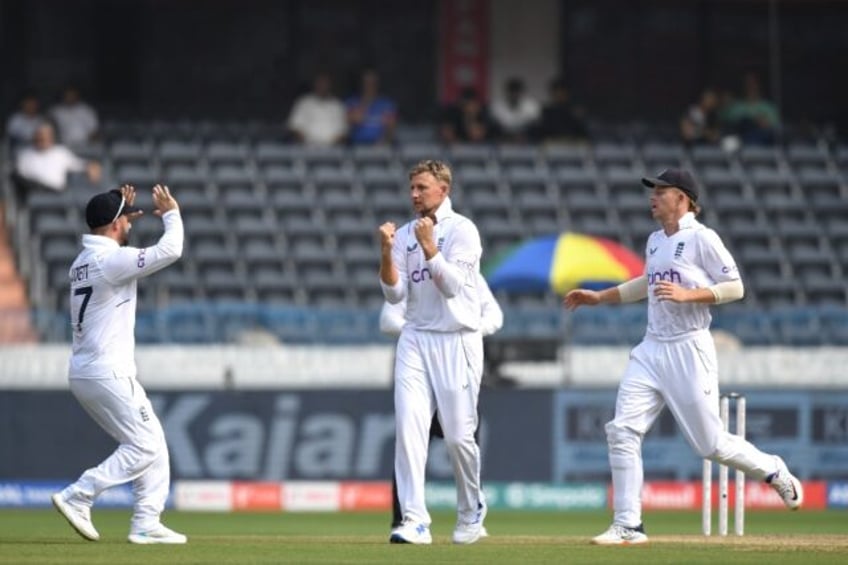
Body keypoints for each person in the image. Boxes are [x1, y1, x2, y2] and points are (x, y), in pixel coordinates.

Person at [564, 168, 804, 546]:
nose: (653, 197)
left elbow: (735, 287)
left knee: (709, 445)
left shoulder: (702, 238)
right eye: (652, 191)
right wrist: (600, 297)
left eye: (660, 191)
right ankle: (628, 524)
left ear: (683, 198)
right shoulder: (656, 240)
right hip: (651, 347)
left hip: (689, 348)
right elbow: (648, 282)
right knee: (621, 430)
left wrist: (688, 296)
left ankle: (773, 469)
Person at [51, 184, 187, 545]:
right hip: (108, 371)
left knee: (152, 440)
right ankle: (79, 495)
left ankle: (146, 522)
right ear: (114, 226)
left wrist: (119, 202)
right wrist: (171, 213)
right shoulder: (110, 262)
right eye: (126, 219)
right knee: (145, 446)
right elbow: (171, 249)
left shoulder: (82, 261)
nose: (130, 224)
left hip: (88, 371)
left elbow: (119, 245)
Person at [378, 160, 487, 545]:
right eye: (411, 188)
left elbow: (453, 285)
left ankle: (472, 508)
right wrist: (386, 252)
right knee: (409, 430)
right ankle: (414, 520)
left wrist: (429, 248)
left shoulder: (463, 230)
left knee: (458, 437)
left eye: (421, 187)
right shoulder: (406, 233)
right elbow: (395, 294)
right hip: (416, 339)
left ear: (443, 189)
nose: (414, 195)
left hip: (456, 339)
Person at [381, 272, 503, 531]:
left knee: (464, 444)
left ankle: (472, 515)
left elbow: (494, 315)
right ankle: (404, 519)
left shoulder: (469, 276)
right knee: (409, 445)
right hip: (419, 378)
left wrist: (468, 331)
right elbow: (388, 319)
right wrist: (422, 334)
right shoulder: (412, 272)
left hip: (457, 374)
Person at [13, 122, 101, 197]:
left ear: (52, 136)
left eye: (45, 135)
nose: (42, 138)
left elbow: (81, 165)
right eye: (39, 135)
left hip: (56, 193)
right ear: (34, 136)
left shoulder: (60, 152)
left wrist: (91, 166)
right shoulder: (24, 154)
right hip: (33, 193)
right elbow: (20, 176)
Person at [287, 71, 348, 146]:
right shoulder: (303, 102)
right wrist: (308, 144)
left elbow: (343, 131)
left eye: (325, 83)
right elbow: (295, 127)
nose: (322, 86)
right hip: (305, 151)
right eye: (320, 83)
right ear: (315, 84)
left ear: (330, 85)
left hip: (333, 152)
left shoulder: (337, 105)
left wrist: (330, 146)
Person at [345, 68, 397, 145]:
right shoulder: (353, 102)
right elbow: (352, 121)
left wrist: (384, 141)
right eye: (367, 82)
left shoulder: (386, 104)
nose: (369, 85)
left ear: (377, 84)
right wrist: (366, 102)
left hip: (380, 146)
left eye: (372, 83)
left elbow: (391, 126)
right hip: (356, 145)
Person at [536, 77, 589, 144]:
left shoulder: (575, 110)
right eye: (556, 92)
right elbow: (543, 131)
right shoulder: (548, 111)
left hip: (574, 144)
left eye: (562, 92)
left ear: (567, 93)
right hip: (553, 144)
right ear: (552, 94)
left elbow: (583, 132)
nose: (559, 95)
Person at [490, 77, 540, 143]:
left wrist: (521, 135)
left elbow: (535, 126)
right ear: (507, 92)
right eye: (512, 92)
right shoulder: (497, 106)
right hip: (503, 138)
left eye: (517, 92)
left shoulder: (532, 105)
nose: (514, 95)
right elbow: (495, 127)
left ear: (522, 92)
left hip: (526, 138)